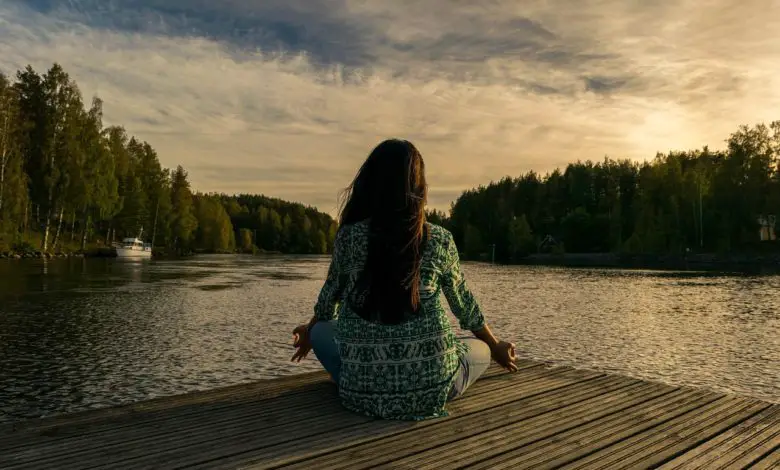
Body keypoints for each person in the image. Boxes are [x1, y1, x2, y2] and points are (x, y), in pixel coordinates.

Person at [290, 139, 517, 420]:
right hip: (433, 390)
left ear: (370, 184)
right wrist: (495, 346)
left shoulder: (348, 237)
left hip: (360, 395)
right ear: (419, 188)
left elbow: (328, 303)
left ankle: (357, 377)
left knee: (322, 331)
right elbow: (464, 307)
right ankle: (433, 371)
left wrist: (310, 330)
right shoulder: (440, 240)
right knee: (478, 348)